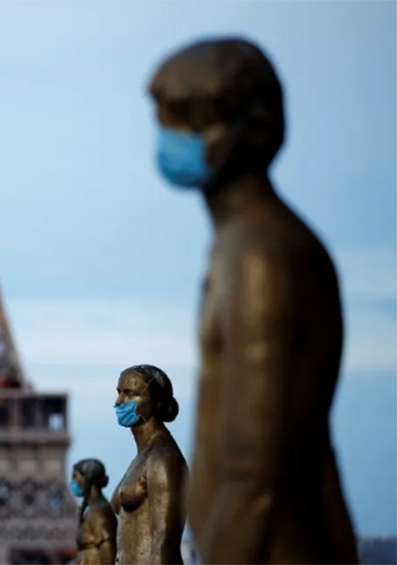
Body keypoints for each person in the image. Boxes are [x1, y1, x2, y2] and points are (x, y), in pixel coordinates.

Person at [148, 37, 359, 563]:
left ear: (255, 128)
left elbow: (253, 471)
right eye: (165, 116)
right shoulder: (245, 247)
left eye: (190, 118)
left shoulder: (259, 257)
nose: (170, 135)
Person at [110, 364, 187, 564]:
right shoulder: (142, 457)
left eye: (130, 394)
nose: (119, 402)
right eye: (119, 393)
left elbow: (164, 541)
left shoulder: (163, 458)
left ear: (156, 403)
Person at [71, 458, 117, 564]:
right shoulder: (92, 510)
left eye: (75, 476)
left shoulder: (99, 511)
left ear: (87, 478)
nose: (73, 481)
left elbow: (107, 547)